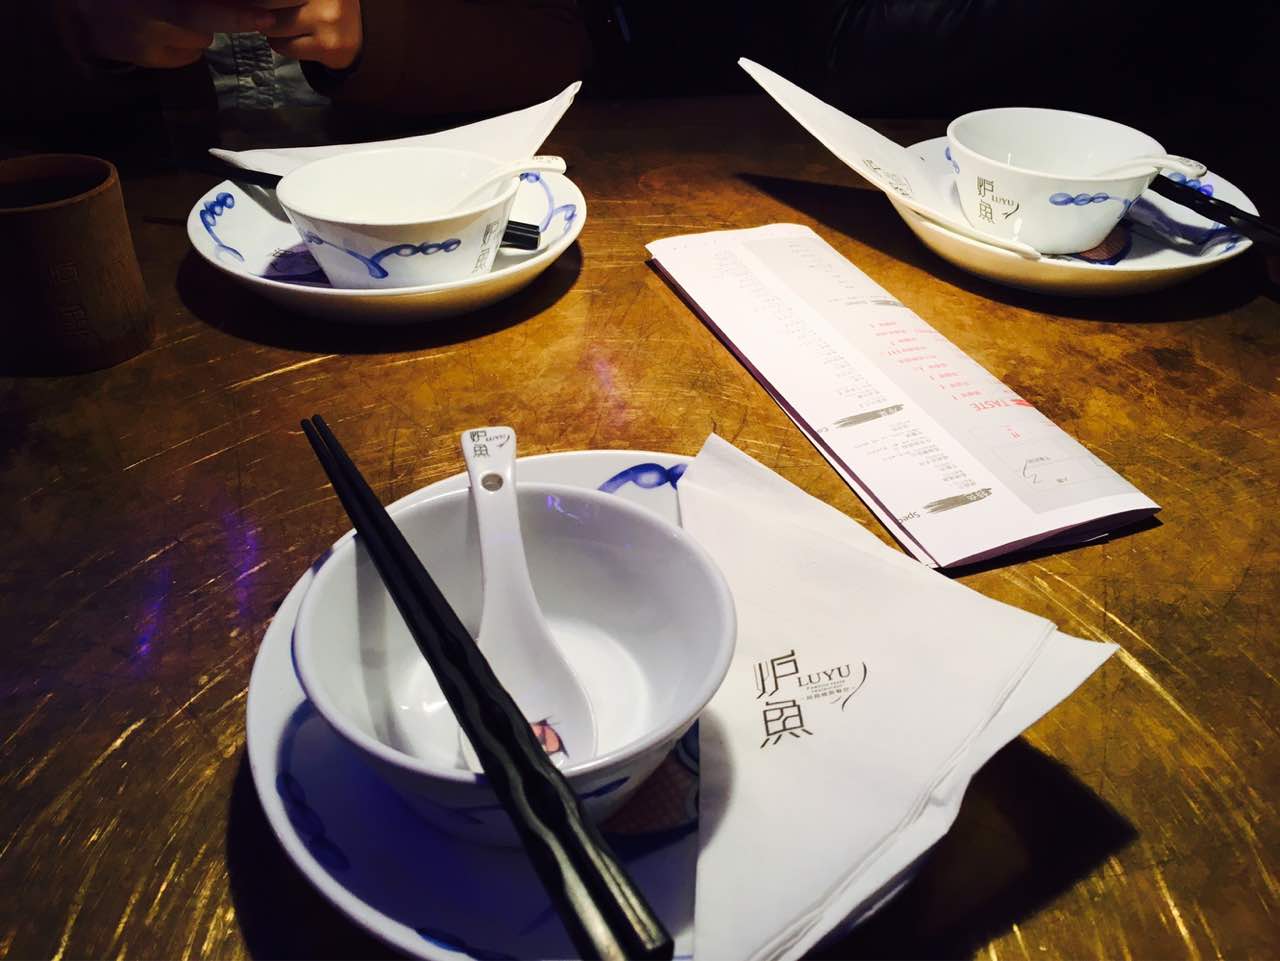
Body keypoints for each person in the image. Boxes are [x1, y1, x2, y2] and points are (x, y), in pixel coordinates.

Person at [5, 0, 592, 133]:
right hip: (127, 226)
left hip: (434, 194)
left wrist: (379, 33)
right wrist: (79, 26)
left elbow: (563, 44)